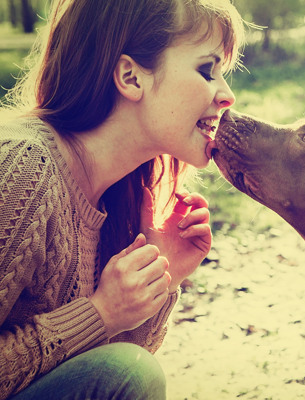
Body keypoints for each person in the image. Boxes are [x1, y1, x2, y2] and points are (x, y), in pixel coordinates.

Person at [0, 0, 245, 399]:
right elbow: (117, 375)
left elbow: (97, 371)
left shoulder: (118, 194)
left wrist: (160, 280)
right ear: (131, 77)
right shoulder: (22, 169)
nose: (227, 95)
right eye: (207, 70)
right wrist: (99, 314)